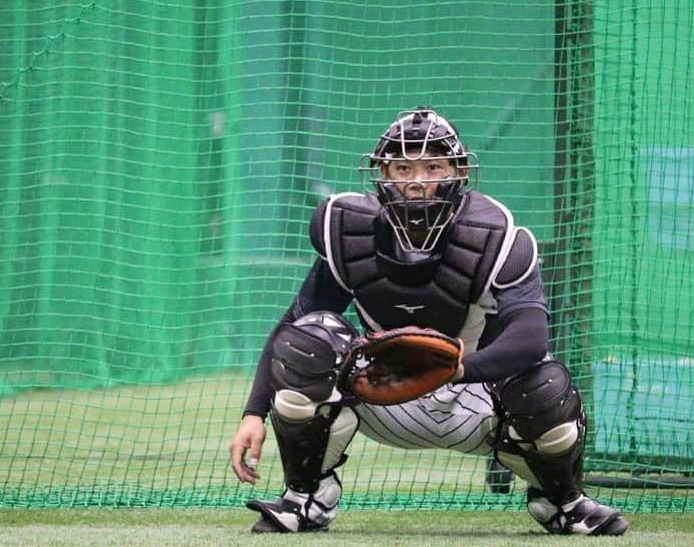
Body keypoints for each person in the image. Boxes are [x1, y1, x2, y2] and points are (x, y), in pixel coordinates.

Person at [228, 107, 629, 536]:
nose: (416, 181)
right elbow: (295, 324)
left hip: (477, 399)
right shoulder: (349, 233)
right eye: (403, 167)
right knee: (307, 342)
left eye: (432, 166)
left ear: (458, 172)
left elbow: (530, 339)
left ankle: (562, 502)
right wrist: (254, 413)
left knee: (545, 384)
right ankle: (306, 498)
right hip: (382, 393)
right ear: (382, 173)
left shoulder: (497, 237)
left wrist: (458, 368)